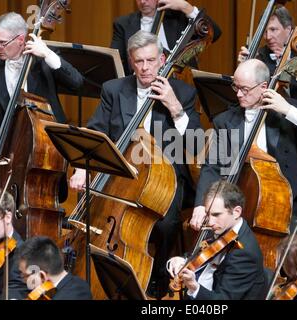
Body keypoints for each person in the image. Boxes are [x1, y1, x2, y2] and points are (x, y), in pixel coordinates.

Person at [69, 30, 201, 299]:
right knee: (96, 208)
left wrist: (175, 108)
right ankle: (100, 265)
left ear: (163, 60)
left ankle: (159, 274)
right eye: (139, 61)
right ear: (131, 61)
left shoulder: (183, 93)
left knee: (165, 224)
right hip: (121, 172)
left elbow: (196, 145)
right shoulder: (114, 89)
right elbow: (97, 132)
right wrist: (82, 167)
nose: (145, 68)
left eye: (151, 61)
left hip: (165, 177)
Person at [190, 59, 297, 237]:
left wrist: (287, 110)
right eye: (236, 87)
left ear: (264, 87)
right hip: (240, 202)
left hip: (284, 204)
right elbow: (212, 167)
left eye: (245, 89)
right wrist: (202, 205)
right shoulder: (226, 121)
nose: (239, 95)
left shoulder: (287, 112)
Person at [238, 6, 297, 214]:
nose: (268, 36)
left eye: (274, 30)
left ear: (289, 31)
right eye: (265, 31)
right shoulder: (260, 56)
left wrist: (293, 66)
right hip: (277, 127)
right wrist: (243, 68)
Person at [0, 12, 83, 165]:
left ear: (20, 40)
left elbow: (77, 83)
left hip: (49, 145)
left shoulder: (44, 59)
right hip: (8, 147)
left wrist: (47, 54)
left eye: (2, 43)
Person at [167, 180, 266, 300]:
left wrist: (194, 287)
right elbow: (197, 256)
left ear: (236, 212)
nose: (210, 222)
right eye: (208, 214)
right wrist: (181, 260)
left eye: (216, 214)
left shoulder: (245, 253)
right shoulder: (218, 227)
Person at [111, 0, 221, 75]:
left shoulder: (177, 17)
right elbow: (114, 60)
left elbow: (214, 33)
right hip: (140, 83)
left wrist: (186, 7)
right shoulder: (123, 24)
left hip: (180, 83)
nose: (143, 2)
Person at [15, 236, 92, 300]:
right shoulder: (79, 283)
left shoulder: (76, 295)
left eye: (25, 276)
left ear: (42, 276)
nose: (23, 281)